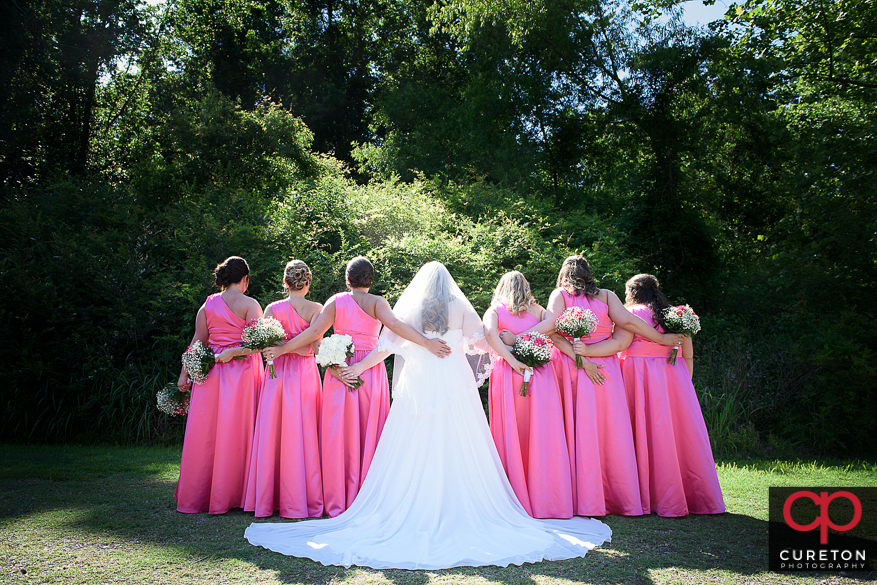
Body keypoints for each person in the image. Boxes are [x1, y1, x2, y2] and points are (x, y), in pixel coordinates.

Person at [244, 262, 611, 569]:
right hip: (452, 378)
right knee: (460, 437)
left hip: (419, 383)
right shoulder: (458, 305)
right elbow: (483, 338)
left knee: (414, 438)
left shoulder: (412, 308)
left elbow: (388, 345)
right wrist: (515, 349)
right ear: (449, 284)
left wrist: (359, 368)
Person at [265, 256, 450, 517]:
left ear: (347, 279)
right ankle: (369, 497)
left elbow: (314, 333)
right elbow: (396, 326)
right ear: (371, 279)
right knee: (368, 431)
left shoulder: (335, 301)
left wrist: (284, 349)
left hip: (340, 369)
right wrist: (427, 343)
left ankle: (337, 500)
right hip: (369, 370)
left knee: (336, 436)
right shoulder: (378, 302)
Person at [501, 256, 682, 516]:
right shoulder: (607, 296)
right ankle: (618, 498)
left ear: (564, 274)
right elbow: (629, 323)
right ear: (589, 273)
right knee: (609, 430)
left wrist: (519, 338)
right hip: (605, 367)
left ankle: (579, 499)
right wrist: (662, 338)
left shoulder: (560, 295)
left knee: (574, 429)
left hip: (570, 367)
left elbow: (551, 328)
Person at [618, 274, 725, 516]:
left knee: (637, 431)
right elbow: (688, 355)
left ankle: (640, 496)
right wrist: (683, 385)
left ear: (633, 291)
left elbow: (620, 345)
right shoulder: (675, 314)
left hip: (635, 374)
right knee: (673, 435)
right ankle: (686, 496)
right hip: (671, 376)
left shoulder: (628, 313)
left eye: (626, 291)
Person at [175, 256, 264, 514]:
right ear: (245, 279)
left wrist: (184, 374)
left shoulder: (207, 306)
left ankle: (200, 495)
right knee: (239, 431)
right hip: (242, 375)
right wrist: (235, 351)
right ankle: (238, 494)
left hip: (210, 374)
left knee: (206, 433)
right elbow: (257, 344)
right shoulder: (251, 305)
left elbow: (197, 343)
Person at [482, 271, 573, 519]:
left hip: (511, 373)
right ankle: (547, 498)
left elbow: (490, 335)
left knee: (515, 430)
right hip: (540, 373)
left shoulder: (495, 311)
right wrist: (527, 339)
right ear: (527, 287)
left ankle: (515, 496)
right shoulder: (539, 312)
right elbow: (553, 325)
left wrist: (513, 354)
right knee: (542, 431)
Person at [243, 260, 324, 518]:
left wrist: (280, 348)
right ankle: (301, 498)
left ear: (285, 282)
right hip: (303, 372)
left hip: (277, 373)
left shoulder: (272, 308)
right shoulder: (316, 309)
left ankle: (269, 499)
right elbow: (315, 344)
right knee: (303, 430)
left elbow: (265, 341)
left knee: (273, 431)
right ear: (308, 283)